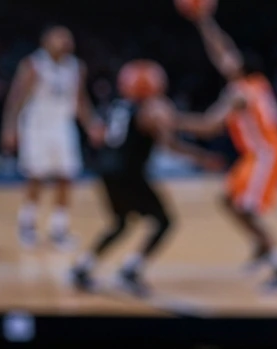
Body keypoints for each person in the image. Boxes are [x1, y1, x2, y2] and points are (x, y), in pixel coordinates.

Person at [71, 61, 224, 297]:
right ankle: (130, 270)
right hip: (129, 173)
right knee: (164, 221)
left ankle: (83, 267)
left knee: (120, 223)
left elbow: (99, 134)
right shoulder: (151, 110)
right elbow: (170, 143)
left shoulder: (117, 105)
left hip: (106, 171)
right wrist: (202, 157)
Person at [174, 13, 277, 290]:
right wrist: (204, 21)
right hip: (261, 153)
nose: (225, 58)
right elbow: (221, 49)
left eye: (232, 58)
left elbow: (208, 126)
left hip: (268, 154)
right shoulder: (255, 83)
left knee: (244, 208)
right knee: (228, 201)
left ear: (240, 66)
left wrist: (172, 119)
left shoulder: (240, 92)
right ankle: (263, 247)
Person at [0, 26, 103, 248]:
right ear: (46, 41)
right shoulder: (33, 64)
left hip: (63, 125)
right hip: (36, 125)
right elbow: (16, 98)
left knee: (67, 175)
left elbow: (80, 100)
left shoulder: (76, 66)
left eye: (68, 38)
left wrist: (91, 125)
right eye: (60, 38)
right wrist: (10, 128)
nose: (65, 42)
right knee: (36, 176)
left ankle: (59, 229)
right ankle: (27, 225)